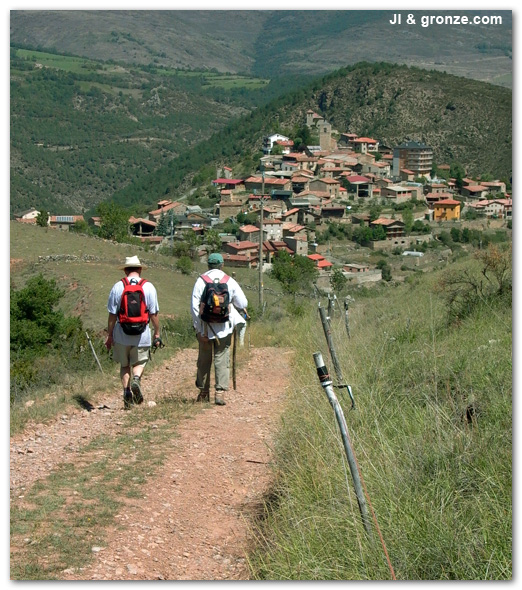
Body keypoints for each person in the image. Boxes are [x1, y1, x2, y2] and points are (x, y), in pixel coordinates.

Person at [191, 253, 248, 406]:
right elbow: (243, 303)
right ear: (222, 265)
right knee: (221, 358)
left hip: (205, 328)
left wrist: (199, 328)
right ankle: (219, 393)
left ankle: (203, 393)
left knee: (204, 359)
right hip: (224, 328)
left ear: (208, 265)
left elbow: (194, 307)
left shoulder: (201, 281)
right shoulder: (229, 281)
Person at [105, 255, 161, 409]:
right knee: (139, 362)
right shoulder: (148, 287)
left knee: (124, 365)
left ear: (125, 270)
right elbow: (153, 314)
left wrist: (110, 336)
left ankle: (126, 390)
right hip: (142, 335)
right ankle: (136, 378)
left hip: (122, 334)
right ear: (140, 269)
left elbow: (112, 315)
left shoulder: (118, 287)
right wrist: (157, 332)